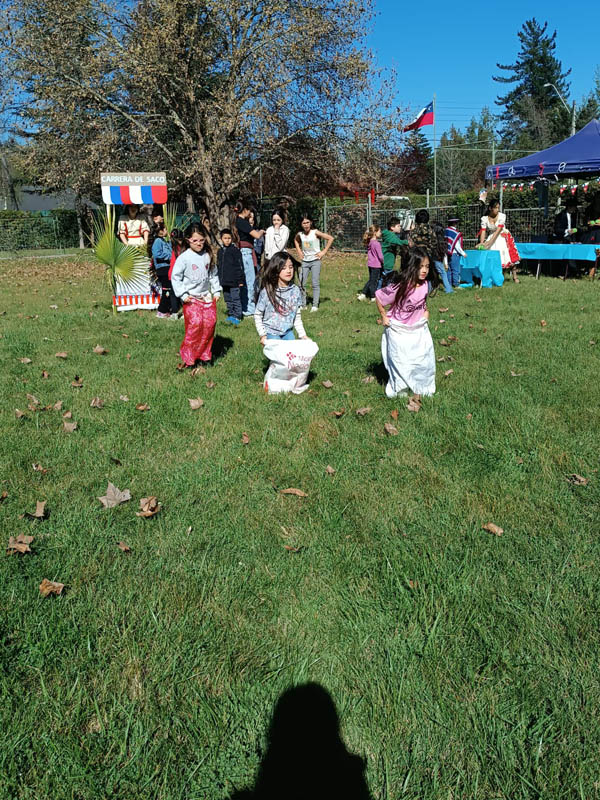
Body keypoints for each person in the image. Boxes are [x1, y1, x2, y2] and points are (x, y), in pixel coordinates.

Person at [375, 248, 440, 402]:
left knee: (422, 358)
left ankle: (421, 386)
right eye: (420, 266)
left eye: (427, 266)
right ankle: (401, 388)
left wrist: (425, 311)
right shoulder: (401, 286)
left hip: (417, 328)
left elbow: (421, 302)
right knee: (401, 360)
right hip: (398, 329)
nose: (424, 270)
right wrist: (383, 315)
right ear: (411, 266)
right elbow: (379, 297)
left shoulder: (425, 285)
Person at [171, 223, 221, 368]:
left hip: (205, 297)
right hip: (191, 298)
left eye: (202, 240)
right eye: (195, 240)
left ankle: (204, 354)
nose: (199, 243)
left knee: (210, 324)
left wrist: (216, 290)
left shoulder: (207, 256)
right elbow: (175, 277)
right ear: (188, 240)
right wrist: (183, 294)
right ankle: (189, 356)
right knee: (196, 324)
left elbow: (213, 274)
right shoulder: (184, 258)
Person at [254, 252, 308, 344]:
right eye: (283, 268)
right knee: (277, 353)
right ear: (276, 269)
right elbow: (258, 314)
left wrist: (303, 335)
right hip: (271, 333)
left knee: (291, 352)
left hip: (288, 332)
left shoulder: (295, 291)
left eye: (291, 267)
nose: (288, 271)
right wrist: (262, 335)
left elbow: (296, 316)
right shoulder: (267, 291)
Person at [294, 214, 334, 311]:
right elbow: (295, 240)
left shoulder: (315, 232)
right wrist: (299, 251)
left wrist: (323, 252)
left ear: (311, 223)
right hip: (305, 262)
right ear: (301, 224)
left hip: (315, 261)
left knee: (315, 283)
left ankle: (315, 305)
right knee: (301, 283)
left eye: (307, 222)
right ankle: (303, 304)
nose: (306, 225)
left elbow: (330, 238)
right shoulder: (300, 234)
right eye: (304, 223)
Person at [410, 210, 453, 293]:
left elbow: (411, 242)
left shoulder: (413, 231)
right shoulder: (430, 230)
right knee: (431, 273)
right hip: (428, 255)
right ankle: (431, 290)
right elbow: (434, 243)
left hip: (417, 255)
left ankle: (415, 289)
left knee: (416, 272)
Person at [234, 200, 265, 316]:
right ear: (245, 210)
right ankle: (250, 309)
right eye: (249, 211)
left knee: (244, 282)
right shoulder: (242, 222)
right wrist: (261, 231)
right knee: (250, 281)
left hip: (242, 253)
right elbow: (256, 235)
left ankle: (245, 306)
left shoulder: (236, 221)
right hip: (246, 253)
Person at [479, 200, 520, 282]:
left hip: (502, 236)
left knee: (508, 256)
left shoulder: (501, 216)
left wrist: (489, 242)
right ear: (490, 208)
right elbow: (483, 232)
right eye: (496, 208)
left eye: (498, 208)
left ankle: (515, 277)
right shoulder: (485, 219)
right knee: (494, 257)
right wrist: (482, 243)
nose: (497, 210)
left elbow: (498, 230)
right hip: (492, 236)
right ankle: (498, 277)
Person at [148, 222, 179, 319]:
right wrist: (169, 256)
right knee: (167, 290)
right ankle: (162, 310)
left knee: (168, 289)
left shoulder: (164, 241)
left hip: (167, 268)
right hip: (163, 268)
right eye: (165, 229)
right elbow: (157, 254)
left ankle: (166, 309)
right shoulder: (158, 241)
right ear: (160, 231)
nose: (167, 230)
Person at [217, 228, 245, 325]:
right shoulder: (220, 251)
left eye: (229, 238)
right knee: (228, 299)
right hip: (224, 282)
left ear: (232, 239)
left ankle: (238, 316)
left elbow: (239, 266)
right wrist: (219, 279)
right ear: (221, 239)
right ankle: (231, 314)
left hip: (234, 281)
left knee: (235, 298)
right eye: (225, 238)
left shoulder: (235, 251)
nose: (227, 240)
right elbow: (219, 266)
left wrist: (240, 280)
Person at [357, 225, 383, 301]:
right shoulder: (377, 244)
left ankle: (363, 293)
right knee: (373, 281)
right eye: (379, 231)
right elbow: (380, 256)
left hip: (370, 264)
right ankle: (372, 296)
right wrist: (383, 262)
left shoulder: (370, 242)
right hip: (376, 265)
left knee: (371, 280)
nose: (380, 233)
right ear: (375, 232)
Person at [380, 218, 408, 287]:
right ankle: (383, 290)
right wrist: (407, 242)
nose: (400, 227)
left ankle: (373, 290)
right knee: (388, 277)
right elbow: (397, 241)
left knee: (381, 277)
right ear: (392, 227)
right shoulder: (390, 235)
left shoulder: (389, 234)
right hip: (387, 261)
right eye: (398, 226)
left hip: (387, 260)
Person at [581, 193, 600, 279]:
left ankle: (595, 268)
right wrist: (588, 222)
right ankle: (589, 268)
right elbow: (585, 220)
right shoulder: (590, 208)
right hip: (592, 233)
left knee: (598, 250)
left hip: (599, 233)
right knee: (591, 249)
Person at [445, 216, 466, 288]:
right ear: (454, 223)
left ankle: (449, 283)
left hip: (447, 253)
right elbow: (456, 245)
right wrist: (463, 253)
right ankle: (456, 284)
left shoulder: (446, 231)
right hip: (454, 254)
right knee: (455, 270)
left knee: (449, 269)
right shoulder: (455, 233)